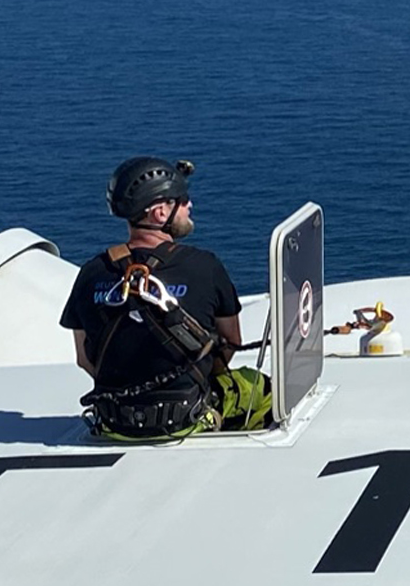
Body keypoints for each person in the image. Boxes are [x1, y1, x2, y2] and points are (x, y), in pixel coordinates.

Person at [60, 156, 272, 438]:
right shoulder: (205, 266)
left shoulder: (91, 272)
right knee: (260, 388)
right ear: (160, 213)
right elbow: (231, 342)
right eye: (183, 200)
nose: (190, 206)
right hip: (188, 418)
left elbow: (84, 359)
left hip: (115, 423)